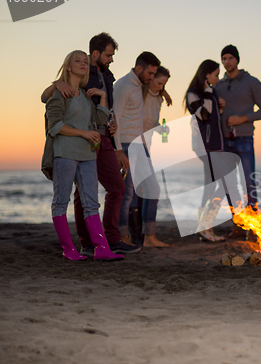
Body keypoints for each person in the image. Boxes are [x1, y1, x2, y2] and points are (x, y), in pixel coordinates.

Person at [41, 33, 139, 256]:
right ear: (67, 66)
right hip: (66, 151)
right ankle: (72, 248)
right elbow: (54, 125)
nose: (83, 64)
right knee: (62, 201)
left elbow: (99, 118)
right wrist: (56, 83)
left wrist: (104, 99)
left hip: (88, 151)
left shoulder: (88, 93)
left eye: (85, 62)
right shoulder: (60, 91)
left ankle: (101, 248)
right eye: (78, 61)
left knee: (90, 201)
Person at [215, 45, 261, 239]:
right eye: (224, 58)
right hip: (224, 141)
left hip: (245, 139)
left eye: (230, 58)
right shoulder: (218, 85)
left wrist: (243, 118)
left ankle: (255, 229)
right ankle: (238, 227)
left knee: (249, 184)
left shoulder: (252, 82)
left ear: (237, 60)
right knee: (230, 186)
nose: (227, 62)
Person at [113, 51, 169, 247]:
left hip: (140, 146)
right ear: (139, 69)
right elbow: (115, 119)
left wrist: (163, 91)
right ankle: (123, 236)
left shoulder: (140, 86)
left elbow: (150, 110)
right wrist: (118, 149)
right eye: (151, 74)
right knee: (127, 194)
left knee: (150, 189)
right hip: (128, 145)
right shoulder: (126, 86)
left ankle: (148, 237)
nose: (152, 78)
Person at [185, 60, 226, 242]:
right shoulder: (193, 94)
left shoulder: (211, 92)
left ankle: (204, 227)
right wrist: (210, 95)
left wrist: (220, 107)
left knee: (212, 186)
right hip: (205, 147)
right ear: (206, 75)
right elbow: (203, 115)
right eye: (216, 74)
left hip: (214, 146)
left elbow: (213, 119)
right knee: (220, 185)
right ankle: (204, 226)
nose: (218, 77)